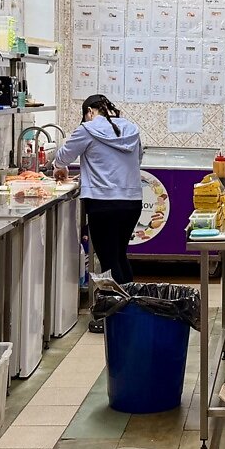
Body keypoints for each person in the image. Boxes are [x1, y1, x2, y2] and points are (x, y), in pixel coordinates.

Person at [55, 95, 144, 320]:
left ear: (90, 112)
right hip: (132, 202)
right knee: (119, 254)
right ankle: (131, 308)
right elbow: (138, 158)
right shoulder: (130, 129)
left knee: (108, 259)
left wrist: (58, 166)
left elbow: (64, 156)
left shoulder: (87, 128)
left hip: (103, 203)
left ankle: (118, 314)